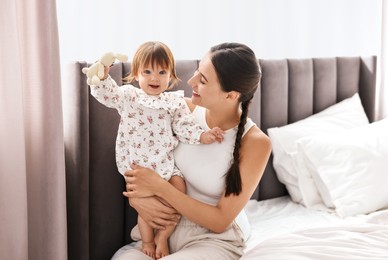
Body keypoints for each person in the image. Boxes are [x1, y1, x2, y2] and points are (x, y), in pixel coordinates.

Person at [117, 42, 272, 260]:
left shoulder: (255, 142)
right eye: (197, 72)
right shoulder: (177, 109)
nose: (191, 82)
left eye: (203, 79)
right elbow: (138, 152)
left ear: (231, 95)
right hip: (162, 230)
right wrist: (137, 199)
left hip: (213, 239)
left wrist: (160, 188)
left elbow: (220, 221)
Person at [88, 41, 224, 259]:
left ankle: (163, 237)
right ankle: (149, 240)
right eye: (147, 71)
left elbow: (184, 126)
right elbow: (108, 94)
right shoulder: (129, 97)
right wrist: (103, 76)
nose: (155, 78)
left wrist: (203, 135)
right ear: (136, 74)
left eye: (162, 72)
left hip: (166, 164)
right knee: (146, 208)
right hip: (139, 168)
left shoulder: (174, 102)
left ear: (171, 75)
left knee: (179, 192)